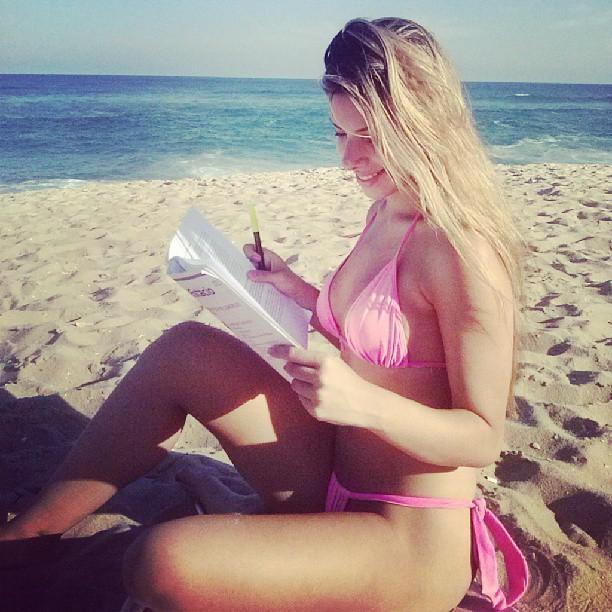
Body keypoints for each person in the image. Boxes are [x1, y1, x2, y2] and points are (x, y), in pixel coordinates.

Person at [0, 17, 528, 612]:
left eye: (370, 135)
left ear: (425, 122)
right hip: (335, 469)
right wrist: (295, 289)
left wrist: (362, 403)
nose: (349, 158)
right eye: (339, 132)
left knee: (161, 561)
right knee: (185, 350)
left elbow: (482, 437)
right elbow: (388, 340)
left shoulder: (463, 251)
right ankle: (26, 537)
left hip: (405, 534)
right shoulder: (386, 208)